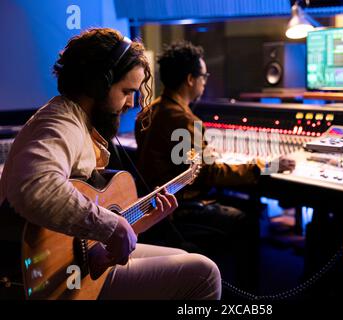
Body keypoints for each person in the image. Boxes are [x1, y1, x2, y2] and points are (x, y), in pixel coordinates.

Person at [0, 28, 221, 300]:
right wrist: (112, 226)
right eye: (127, 91)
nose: (131, 103)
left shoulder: (78, 121)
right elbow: (35, 187)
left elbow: (86, 232)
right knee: (204, 272)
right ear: (99, 84)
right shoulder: (60, 123)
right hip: (57, 275)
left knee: (183, 257)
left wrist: (138, 222)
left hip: (79, 262)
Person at [134, 40, 295, 291]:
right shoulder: (185, 120)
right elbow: (207, 173)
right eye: (203, 75)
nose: (205, 81)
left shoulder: (149, 111)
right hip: (178, 211)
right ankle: (246, 295)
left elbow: (179, 162)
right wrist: (267, 166)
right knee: (245, 220)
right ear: (190, 79)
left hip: (151, 208)